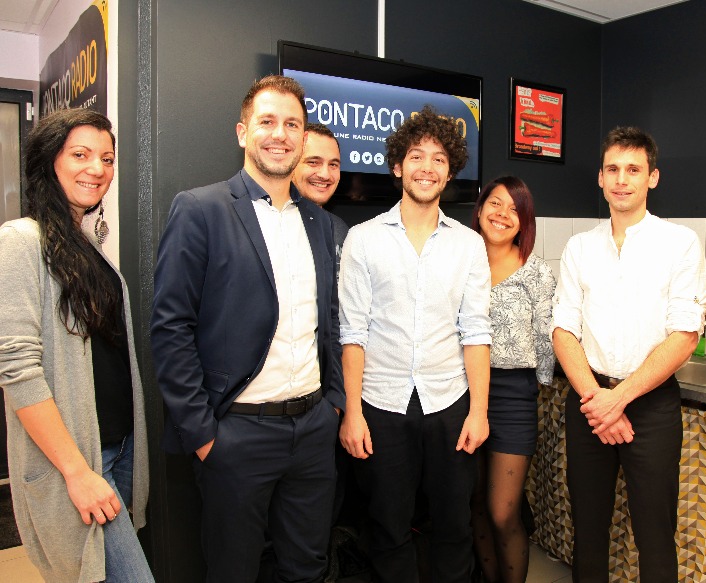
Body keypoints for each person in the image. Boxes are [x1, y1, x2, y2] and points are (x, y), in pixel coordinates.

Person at [151, 75, 344, 583]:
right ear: (242, 132)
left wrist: (334, 405)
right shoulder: (200, 210)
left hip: (313, 430)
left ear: (303, 137)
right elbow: (171, 328)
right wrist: (204, 435)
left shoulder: (318, 222)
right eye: (268, 122)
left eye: (292, 125)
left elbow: (330, 320)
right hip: (236, 434)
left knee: (307, 568)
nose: (280, 134)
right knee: (233, 571)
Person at [338, 105, 492, 583]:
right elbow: (353, 333)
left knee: (454, 525)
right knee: (387, 528)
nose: (428, 167)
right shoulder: (363, 240)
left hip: (450, 403)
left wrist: (479, 412)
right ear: (397, 166)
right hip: (381, 406)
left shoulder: (468, 245)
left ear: (450, 172)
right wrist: (352, 412)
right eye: (417, 156)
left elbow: (476, 332)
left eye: (439, 159)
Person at [0, 108, 151, 582]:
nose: (97, 169)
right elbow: (17, 369)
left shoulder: (82, 243)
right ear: (50, 160)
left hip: (117, 449)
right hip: (81, 461)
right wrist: (77, 472)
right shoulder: (21, 241)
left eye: (107, 158)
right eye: (80, 155)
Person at [552, 126, 706, 582]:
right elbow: (563, 330)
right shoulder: (580, 247)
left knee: (655, 534)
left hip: (651, 405)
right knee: (588, 529)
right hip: (589, 400)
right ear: (601, 178)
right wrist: (597, 399)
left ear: (652, 178)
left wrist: (618, 400)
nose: (622, 180)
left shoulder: (680, 243)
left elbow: (685, 334)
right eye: (613, 169)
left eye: (634, 170)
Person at [469, 176, 556, 583]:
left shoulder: (536, 273)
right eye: (496, 203)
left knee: (503, 511)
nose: (503, 214)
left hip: (513, 396)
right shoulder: (461, 263)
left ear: (525, 222)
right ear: (480, 208)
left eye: (514, 209)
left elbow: (546, 338)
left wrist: (538, 386)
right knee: (474, 505)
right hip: (460, 392)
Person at [292, 122, 349, 269]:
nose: (325, 174)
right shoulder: (269, 225)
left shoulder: (340, 229)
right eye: (313, 162)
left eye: (333, 165)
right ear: (291, 164)